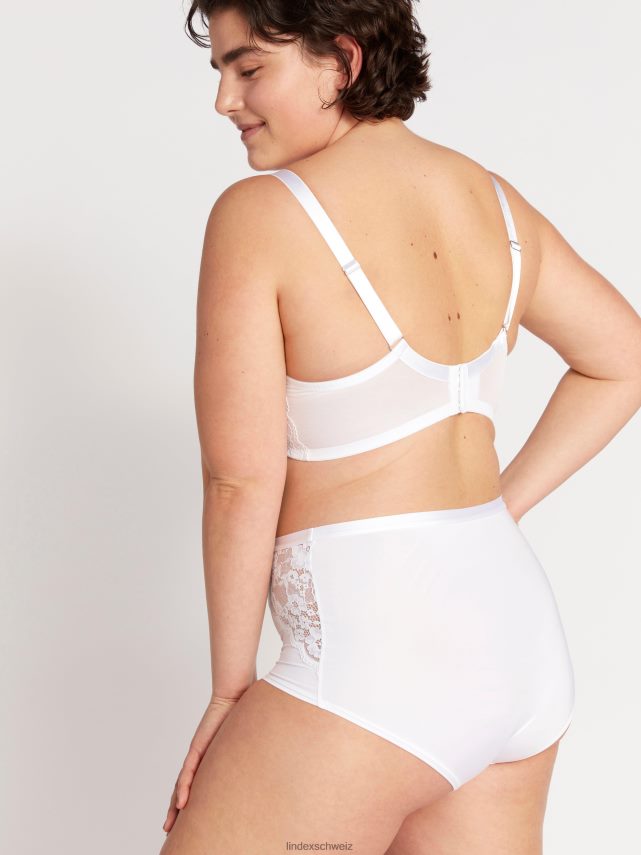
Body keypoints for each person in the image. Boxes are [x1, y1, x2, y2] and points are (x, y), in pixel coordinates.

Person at [160, 2, 641, 853]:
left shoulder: (261, 214)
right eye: (220, 73)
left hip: (372, 666)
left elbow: (239, 480)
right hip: (515, 643)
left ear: (341, 60)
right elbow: (622, 358)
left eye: (249, 68)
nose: (225, 101)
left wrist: (230, 691)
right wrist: (497, 509)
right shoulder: (491, 200)